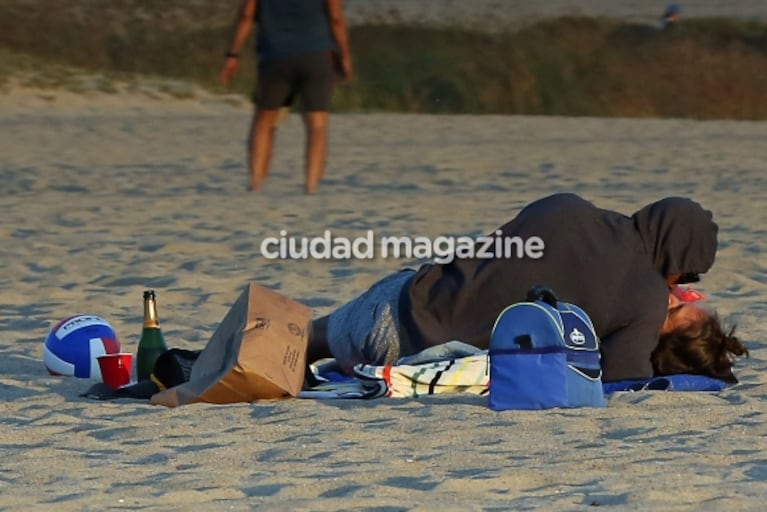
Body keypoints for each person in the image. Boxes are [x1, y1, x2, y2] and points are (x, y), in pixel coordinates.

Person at [307, 193, 748, 382]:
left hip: (386, 310)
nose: (679, 286)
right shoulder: (646, 299)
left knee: (322, 330)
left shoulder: (567, 207)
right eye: (686, 277)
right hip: (410, 360)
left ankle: (309, 338)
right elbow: (624, 375)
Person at [220, 0, 353, 194]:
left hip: (275, 55)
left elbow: (247, 15)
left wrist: (233, 54)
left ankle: (255, 182)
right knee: (317, 123)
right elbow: (336, 18)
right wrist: (345, 55)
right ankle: (311, 185)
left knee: (264, 120)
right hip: (316, 54)